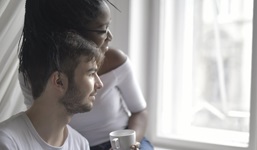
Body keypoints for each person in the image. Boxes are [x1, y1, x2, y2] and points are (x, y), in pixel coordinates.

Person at [19, 0, 153, 150]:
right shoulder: (35, 75)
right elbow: (41, 123)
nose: (110, 36)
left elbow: (140, 111)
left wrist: (125, 144)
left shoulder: (116, 61)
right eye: (103, 29)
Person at [0, 31, 104, 150]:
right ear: (59, 81)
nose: (99, 84)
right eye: (91, 74)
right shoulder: (7, 143)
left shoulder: (80, 144)